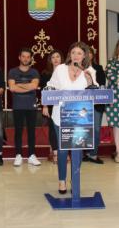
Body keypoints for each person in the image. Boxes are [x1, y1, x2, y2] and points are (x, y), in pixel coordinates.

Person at [46, 42, 97, 193]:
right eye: (73, 52)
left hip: (80, 116)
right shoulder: (60, 69)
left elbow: (95, 89)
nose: (76, 55)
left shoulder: (89, 71)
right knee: (62, 150)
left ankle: (75, 179)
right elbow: (50, 85)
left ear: (85, 56)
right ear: (70, 54)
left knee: (77, 149)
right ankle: (62, 181)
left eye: (79, 53)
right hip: (60, 115)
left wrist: (89, 80)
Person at [8, 48, 41, 167]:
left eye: (28, 57)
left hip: (31, 106)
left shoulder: (35, 72)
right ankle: (18, 155)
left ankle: (32, 155)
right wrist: (28, 86)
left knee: (31, 131)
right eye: (23, 56)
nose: (26, 59)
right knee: (18, 131)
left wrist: (19, 85)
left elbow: (34, 86)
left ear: (31, 58)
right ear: (19, 57)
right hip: (18, 105)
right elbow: (12, 88)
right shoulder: (12, 72)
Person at [40, 50, 64, 164]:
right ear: (50, 60)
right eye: (53, 57)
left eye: (58, 56)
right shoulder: (45, 74)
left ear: (61, 59)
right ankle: (55, 152)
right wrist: (44, 105)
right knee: (53, 129)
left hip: (64, 104)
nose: (55, 59)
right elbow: (43, 91)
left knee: (64, 128)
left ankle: (63, 151)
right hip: (50, 105)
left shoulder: (66, 71)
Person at [84, 47, 106, 164]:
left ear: (93, 55)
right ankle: (86, 153)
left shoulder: (99, 68)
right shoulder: (79, 69)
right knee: (85, 129)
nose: (88, 55)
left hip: (97, 103)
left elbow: (102, 84)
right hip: (83, 103)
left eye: (90, 53)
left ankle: (93, 154)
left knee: (96, 129)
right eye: (85, 53)